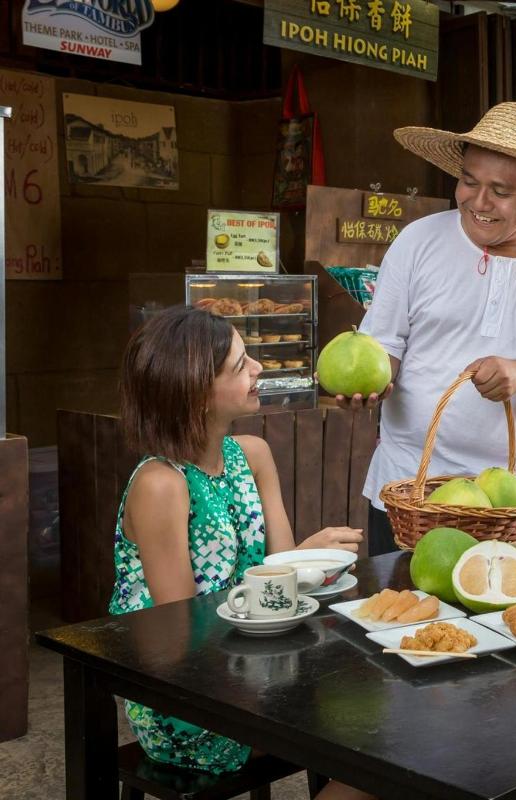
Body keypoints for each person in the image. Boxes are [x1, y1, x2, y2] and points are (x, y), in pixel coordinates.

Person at [111, 307, 370, 800]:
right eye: (240, 365)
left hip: (258, 667)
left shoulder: (251, 453)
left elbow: (282, 585)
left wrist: (307, 562)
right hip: (187, 700)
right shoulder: (160, 483)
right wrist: (297, 561)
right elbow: (179, 632)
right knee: (375, 740)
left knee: (381, 715)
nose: (258, 369)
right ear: (194, 392)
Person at [342, 102, 516, 554]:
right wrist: (368, 382)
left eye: (501, 191)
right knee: (403, 620)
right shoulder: (418, 241)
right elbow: (384, 345)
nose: (478, 202)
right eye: (468, 181)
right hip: (411, 492)